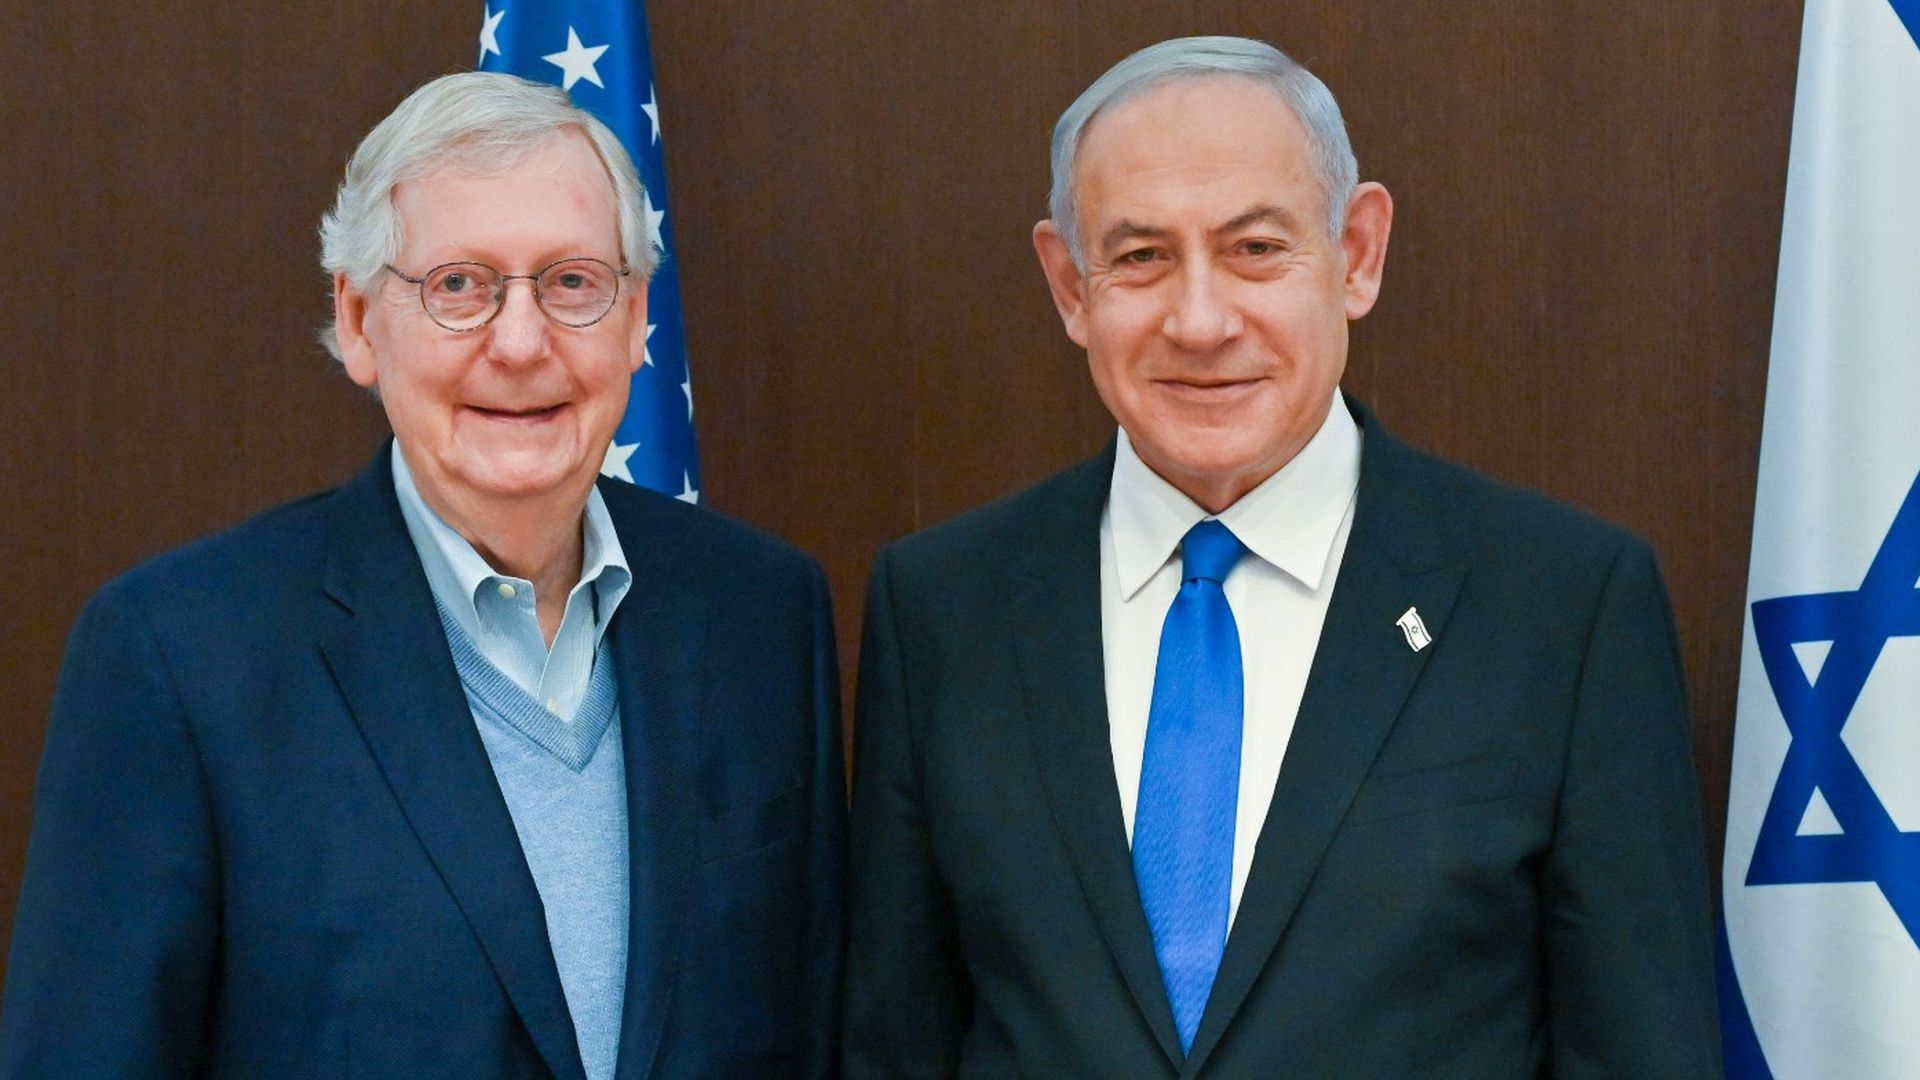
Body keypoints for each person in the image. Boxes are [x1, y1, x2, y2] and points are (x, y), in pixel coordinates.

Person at [843, 35, 1719, 1078]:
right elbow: (895, 1045)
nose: (1202, 320)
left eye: (1257, 249)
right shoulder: (941, 607)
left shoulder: (1565, 607)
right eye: (1140, 257)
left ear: (1357, 254)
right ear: (1070, 286)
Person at [1, 72, 842, 1079]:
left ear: (634, 322)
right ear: (359, 322)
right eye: (460, 286)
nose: (522, 343)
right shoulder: (180, 656)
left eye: (572, 282)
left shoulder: (762, 616)